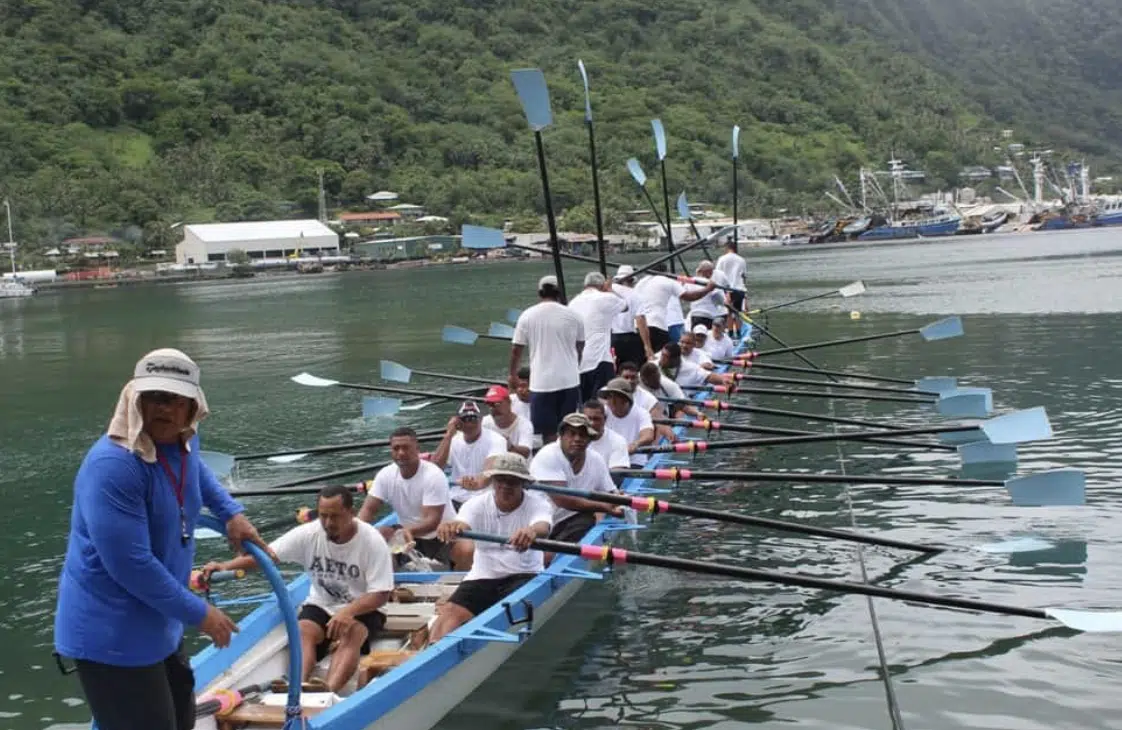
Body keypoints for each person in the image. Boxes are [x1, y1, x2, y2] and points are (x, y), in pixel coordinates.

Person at [54, 347, 272, 730]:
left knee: (181, 720)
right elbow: (132, 566)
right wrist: (202, 614)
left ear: (193, 407)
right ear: (135, 400)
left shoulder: (181, 440)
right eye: (153, 397)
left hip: (159, 625)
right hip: (113, 637)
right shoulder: (114, 466)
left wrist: (230, 513)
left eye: (174, 399)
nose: (163, 409)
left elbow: (195, 470)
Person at [201, 485, 393, 692]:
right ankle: (298, 690)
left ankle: (327, 693)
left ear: (351, 513)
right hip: (323, 604)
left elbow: (381, 594)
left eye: (335, 517)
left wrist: (348, 612)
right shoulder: (309, 534)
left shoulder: (372, 541)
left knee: (352, 633)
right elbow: (267, 557)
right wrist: (225, 566)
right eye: (323, 516)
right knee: (303, 630)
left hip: (363, 608)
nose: (328, 523)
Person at [428, 453, 554, 644]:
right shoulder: (476, 504)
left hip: (524, 573)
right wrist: (452, 527)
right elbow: (462, 523)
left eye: (512, 481)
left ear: (523, 483)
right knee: (448, 616)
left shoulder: (539, 504)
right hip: (483, 575)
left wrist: (531, 532)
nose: (505, 486)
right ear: (492, 481)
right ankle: (434, 650)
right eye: (500, 480)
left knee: (503, 613)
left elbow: (542, 527)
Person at [359, 426, 460, 569]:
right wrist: (353, 531)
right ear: (391, 451)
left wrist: (408, 531)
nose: (401, 453)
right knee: (379, 534)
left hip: (442, 534)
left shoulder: (433, 475)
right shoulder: (385, 474)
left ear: (417, 449)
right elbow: (368, 510)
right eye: (396, 448)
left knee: (465, 551)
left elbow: (431, 521)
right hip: (407, 534)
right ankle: (388, 583)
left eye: (406, 448)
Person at [510, 275, 585, 444]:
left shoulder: (527, 315)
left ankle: (550, 461)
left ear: (539, 293)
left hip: (541, 382)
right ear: (559, 293)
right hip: (569, 380)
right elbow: (580, 347)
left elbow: (516, 350)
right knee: (569, 427)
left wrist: (512, 374)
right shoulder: (574, 315)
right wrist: (575, 364)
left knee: (548, 432)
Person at [529, 413, 623, 546]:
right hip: (539, 522)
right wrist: (604, 507)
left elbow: (610, 492)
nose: (577, 439)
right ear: (561, 436)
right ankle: (551, 557)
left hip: (571, 521)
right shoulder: (548, 455)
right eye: (572, 434)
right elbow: (562, 499)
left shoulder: (596, 459)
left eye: (583, 435)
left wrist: (620, 498)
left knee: (586, 519)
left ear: (590, 439)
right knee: (587, 517)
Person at [430, 401, 507, 510]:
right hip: (455, 498)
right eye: (465, 419)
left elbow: (488, 473)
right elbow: (435, 468)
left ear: (481, 420)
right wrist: (448, 435)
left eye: (474, 419)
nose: (470, 423)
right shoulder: (453, 440)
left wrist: (474, 484)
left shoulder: (497, 440)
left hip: (484, 500)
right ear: (457, 422)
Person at [568, 271, 629, 401]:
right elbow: (625, 306)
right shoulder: (605, 298)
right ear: (602, 286)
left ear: (585, 286)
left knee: (585, 405)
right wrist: (610, 290)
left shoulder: (572, 303)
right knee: (604, 404)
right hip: (599, 360)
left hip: (577, 363)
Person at [634, 265, 714, 353]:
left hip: (638, 327)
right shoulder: (667, 281)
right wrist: (708, 289)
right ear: (666, 272)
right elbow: (689, 297)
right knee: (664, 358)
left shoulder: (639, 283)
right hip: (657, 326)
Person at [597, 378, 655, 467]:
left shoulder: (641, 413)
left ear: (625, 398)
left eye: (614, 397)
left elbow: (648, 436)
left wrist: (636, 444)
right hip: (609, 460)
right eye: (608, 397)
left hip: (634, 461)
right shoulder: (604, 412)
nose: (609, 401)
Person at [609, 265, 654, 367]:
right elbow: (640, 320)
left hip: (612, 337)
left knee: (616, 368)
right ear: (632, 280)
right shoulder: (635, 294)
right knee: (634, 367)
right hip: (629, 338)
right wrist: (647, 346)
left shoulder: (608, 292)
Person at [481, 385, 534, 458]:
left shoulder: (524, 424)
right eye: (490, 405)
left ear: (509, 402)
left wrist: (510, 447)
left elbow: (526, 453)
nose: (493, 409)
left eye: (497, 404)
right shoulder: (484, 423)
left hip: (519, 467)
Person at [581, 399, 631, 472]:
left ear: (605, 419)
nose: (592, 423)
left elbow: (616, 474)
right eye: (588, 419)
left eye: (596, 419)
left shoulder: (617, 441)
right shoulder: (571, 438)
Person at [659, 342, 733, 389]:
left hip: (680, 401)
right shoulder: (654, 363)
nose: (661, 359)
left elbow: (708, 376)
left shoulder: (690, 367)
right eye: (662, 355)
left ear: (675, 359)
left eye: (665, 357)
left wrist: (722, 380)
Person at [714, 240, 748, 336]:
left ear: (727, 248)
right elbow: (744, 276)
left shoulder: (722, 259)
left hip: (727, 289)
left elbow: (717, 274)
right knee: (737, 313)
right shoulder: (741, 260)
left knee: (728, 312)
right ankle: (739, 333)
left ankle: (730, 333)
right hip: (739, 289)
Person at [686, 260, 731, 330]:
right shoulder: (710, 284)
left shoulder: (689, 282)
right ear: (708, 272)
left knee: (696, 338)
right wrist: (726, 304)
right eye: (711, 272)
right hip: (708, 316)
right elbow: (718, 299)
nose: (712, 274)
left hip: (694, 315)